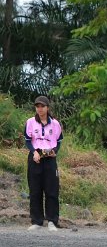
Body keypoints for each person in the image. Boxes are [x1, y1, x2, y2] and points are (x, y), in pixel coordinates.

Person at [24, 96, 64, 232]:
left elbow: (58, 140)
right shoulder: (30, 122)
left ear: (47, 108)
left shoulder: (55, 124)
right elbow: (28, 140)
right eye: (37, 106)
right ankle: (37, 220)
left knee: (52, 190)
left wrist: (55, 151)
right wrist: (34, 152)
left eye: (42, 106)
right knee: (35, 190)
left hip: (49, 158)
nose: (40, 109)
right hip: (35, 157)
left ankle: (52, 220)